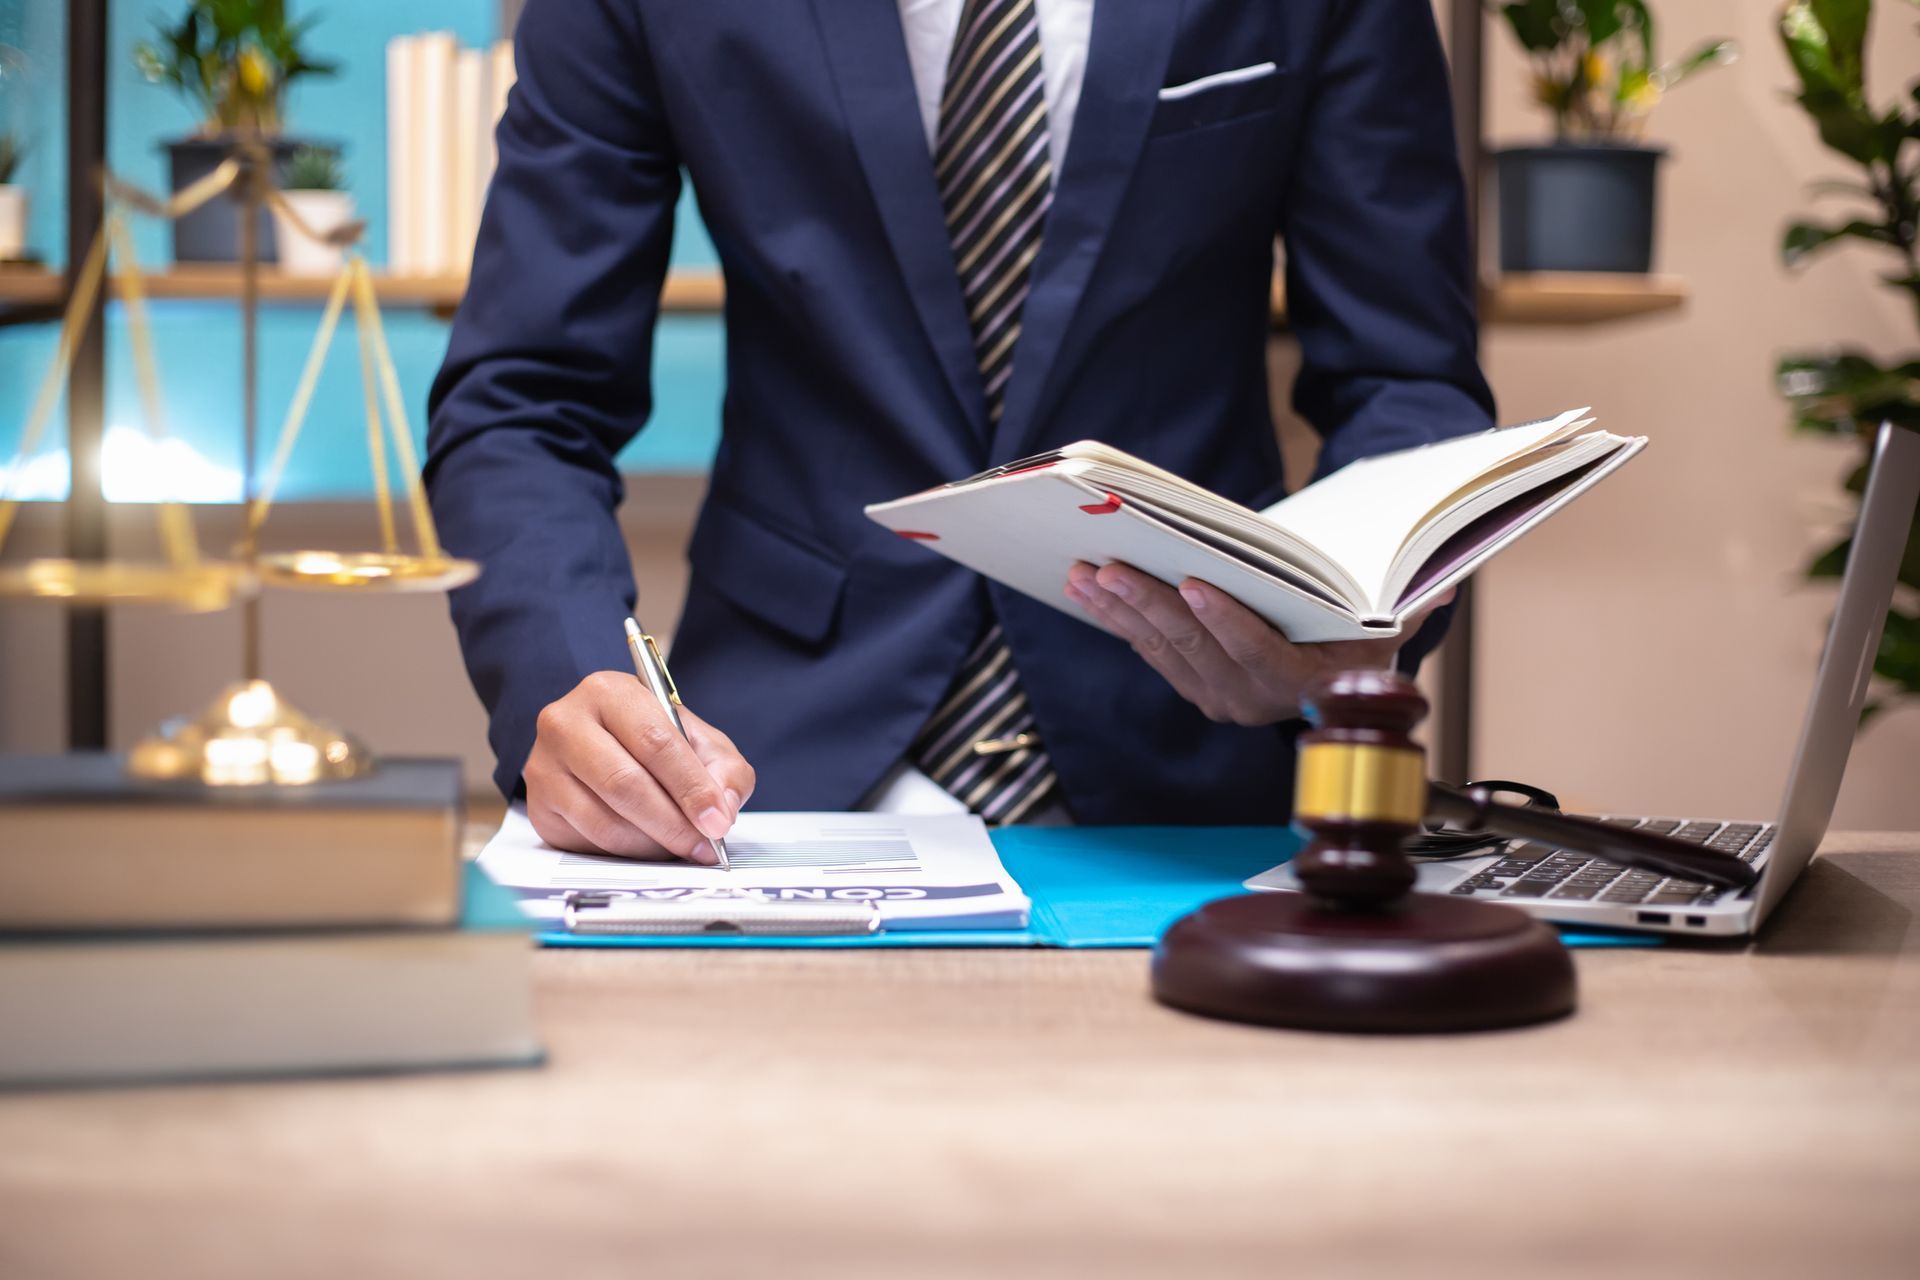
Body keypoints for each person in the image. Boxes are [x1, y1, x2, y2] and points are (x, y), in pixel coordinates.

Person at [426, 0, 1494, 861]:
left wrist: (1340, 619)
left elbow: (1408, 384)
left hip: (1199, 774)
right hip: (762, 787)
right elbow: (524, 396)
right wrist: (564, 677)